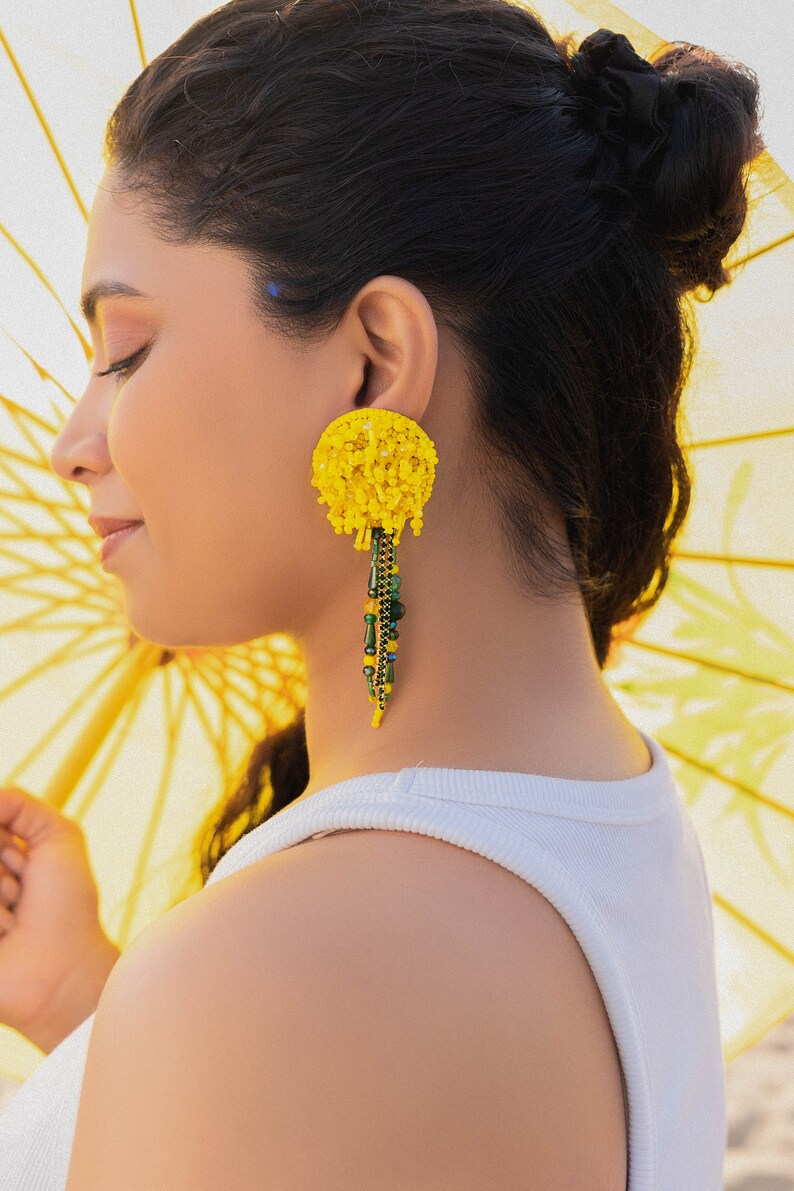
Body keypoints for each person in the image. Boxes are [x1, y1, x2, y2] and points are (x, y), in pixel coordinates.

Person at [0, 0, 764, 1186]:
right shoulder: (591, 802)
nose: (74, 441)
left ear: (372, 363)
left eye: (128, 349)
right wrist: (79, 1000)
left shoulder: (276, 975)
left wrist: (174, 1012)